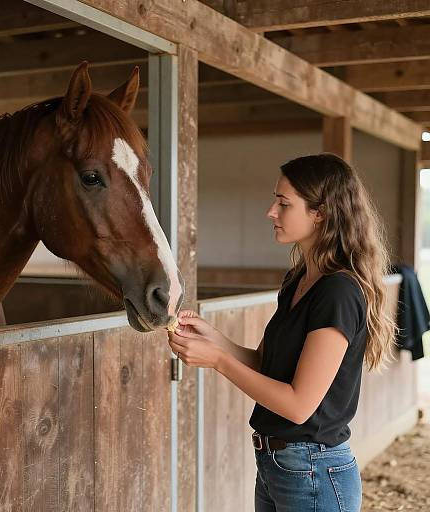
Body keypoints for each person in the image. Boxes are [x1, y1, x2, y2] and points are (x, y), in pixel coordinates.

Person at [167, 153, 396, 512]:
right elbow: (265, 363)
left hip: (313, 470)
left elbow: (299, 405)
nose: (271, 212)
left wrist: (219, 362)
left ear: (319, 213)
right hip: (279, 465)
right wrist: (213, 339)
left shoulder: (337, 293)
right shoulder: (298, 280)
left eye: (284, 203)